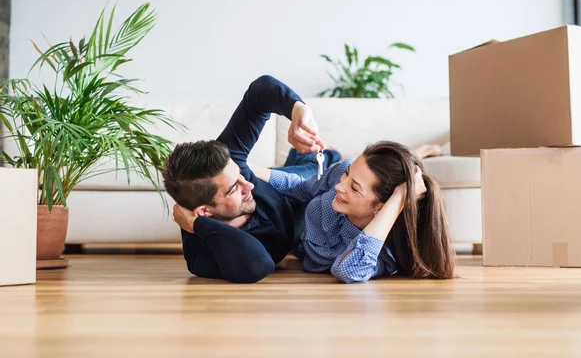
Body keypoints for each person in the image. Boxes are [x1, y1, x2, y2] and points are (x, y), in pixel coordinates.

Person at [162, 75, 335, 283]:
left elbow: (259, 92)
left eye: (240, 175)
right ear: (204, 211)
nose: (249, 184)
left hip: (287, 191)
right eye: (234, 188)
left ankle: (323, 155)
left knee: (320, 164)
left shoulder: (228, 160)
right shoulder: (201, 255)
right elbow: (259, 265)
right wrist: (197, 225)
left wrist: (298, 110)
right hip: (298, 227)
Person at [252, 141, 455, 283]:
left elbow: (346, 271)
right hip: (302, 206)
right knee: (306, 165)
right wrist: (248, 168)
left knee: (303, 163)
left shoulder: (381, 252)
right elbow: (305, 189)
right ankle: (330, 154)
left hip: (294, 238)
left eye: (355, 188)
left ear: (382, 207)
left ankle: (420, 152)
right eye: (347, 176)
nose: (340, 187)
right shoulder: (342, 173)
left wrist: (398, 199)